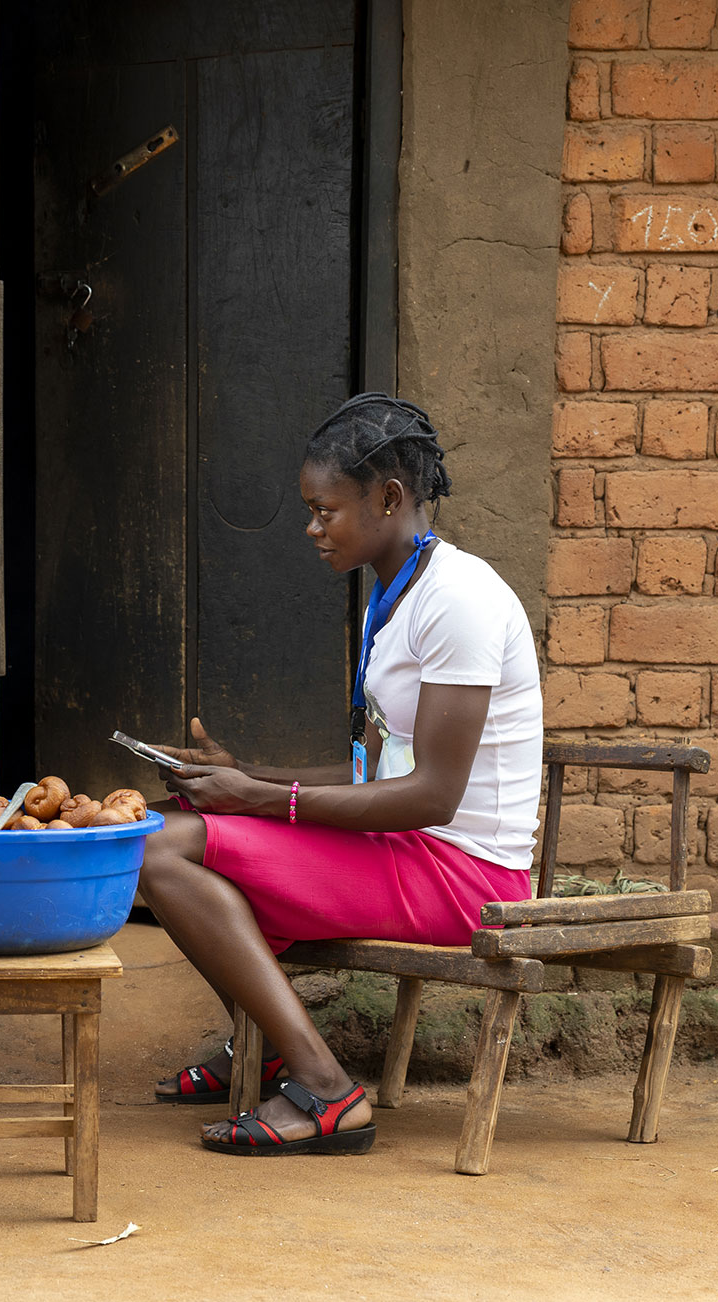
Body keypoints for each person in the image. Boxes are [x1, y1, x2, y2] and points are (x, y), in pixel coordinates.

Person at [138, 393, 541, 1156]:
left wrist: (259, 799)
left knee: (163, 847)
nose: (312, 528)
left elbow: (432, 795)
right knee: (168, 830)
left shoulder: (460, 601)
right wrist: (241, 775)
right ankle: (264, 1042)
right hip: (413, 852)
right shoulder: (394, 596)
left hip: (468, 876)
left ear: (389, 498)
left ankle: (323, 1085)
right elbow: (374, 770)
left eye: (326, 510)